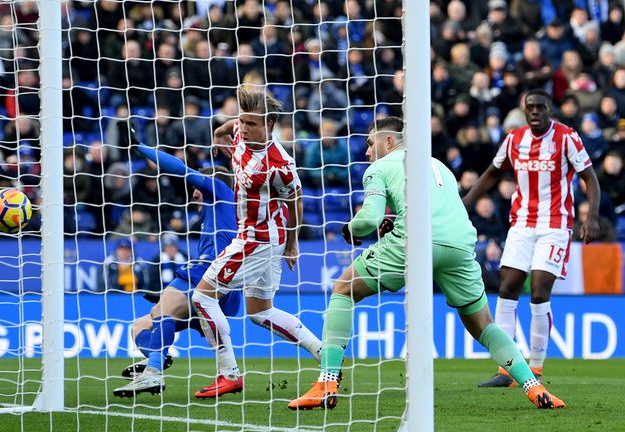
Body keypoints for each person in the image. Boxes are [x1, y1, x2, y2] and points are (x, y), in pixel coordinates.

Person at [289, 117, 565, 410]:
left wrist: (351, 229)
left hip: (416, 242)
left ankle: (327, 382)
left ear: (389, 141)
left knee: (343, 289)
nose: (367, 152)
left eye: (371, 144)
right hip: (460, 245)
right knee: (483, 325)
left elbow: (367, 219)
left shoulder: (379, 167)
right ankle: (534, 387)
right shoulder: (439, 165)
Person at [462, 89, 601, 388]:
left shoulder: (567, 138)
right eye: (530, 108)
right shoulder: (514, 139)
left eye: (541, 107)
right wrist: (462, 206)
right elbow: (491, 174)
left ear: (550, 109)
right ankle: (506, 370)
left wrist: (591, 217)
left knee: (539, 292)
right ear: (524, 111)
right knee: (508, 288)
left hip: (555, 224)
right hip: (522, 223)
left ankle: (535, 368)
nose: (535, 112)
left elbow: (590, 177)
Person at [191, 87, 322, 398]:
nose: (245, 128)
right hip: (257, 236)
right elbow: (226, 127)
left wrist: (293, 244)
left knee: (202, 297)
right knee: (260, 312)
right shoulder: (239, 131)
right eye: (243, 121)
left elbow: (297, 200)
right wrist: (219, 138)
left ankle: (229, 374)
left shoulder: (279, 163)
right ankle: (324, 353)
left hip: (259, 239)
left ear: (270, 124)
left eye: (252, 124)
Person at [111, 122, 242, 397]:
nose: (194, 192)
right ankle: (158, 359)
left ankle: (154, 372)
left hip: (210, 274)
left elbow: (180, 169)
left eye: (198, 187)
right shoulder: (215, 214)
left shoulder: (220, 192)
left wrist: (140, 148)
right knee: (140, 326)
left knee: (162, 313)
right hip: (219, 286)